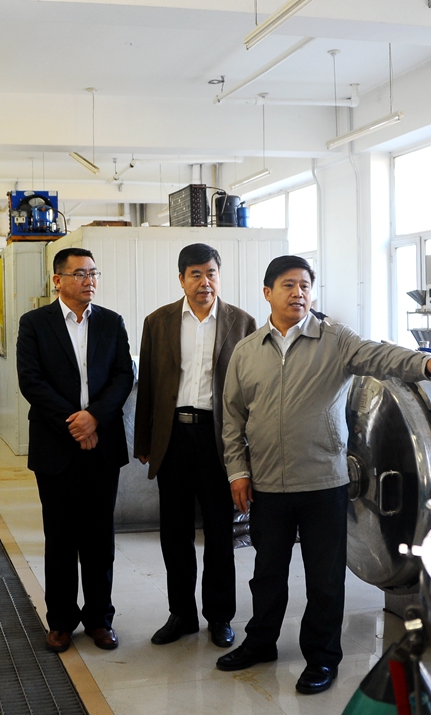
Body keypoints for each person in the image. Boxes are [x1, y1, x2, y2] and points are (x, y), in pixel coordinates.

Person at [217, 255, 431, 694]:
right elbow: (232, 418)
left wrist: (428, 364)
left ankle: (322, 658)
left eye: (305, 285)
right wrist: (237, 472)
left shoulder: (334, 340)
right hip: (267, 483)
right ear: (267, 293)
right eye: (288, 285)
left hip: (323, 482)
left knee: (324, 579)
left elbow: (381, 356)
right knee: (267, 574)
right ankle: (260, 642)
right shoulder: (248, 351)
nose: (298, 293)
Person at [133, 243, 257, 649]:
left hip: (220, 439)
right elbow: (148, 385)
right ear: (182, 278)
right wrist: (144, 440)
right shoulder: (158, 321)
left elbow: (252, 392)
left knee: (220, 533)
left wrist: (248, 452)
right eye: (196, 274)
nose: (205, 282)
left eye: (211, 273)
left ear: (219, 276)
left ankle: (220, 617)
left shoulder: (242, 322)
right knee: (175, 532)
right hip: (173, 438)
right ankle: (181, 614)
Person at [16, 247, 134, 653]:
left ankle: (100, 619)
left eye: (94, 273)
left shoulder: (111, 322)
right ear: (58, 280)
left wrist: (95, 417)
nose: (90, 281)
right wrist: (75, 423)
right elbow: (31, 381)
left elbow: (123, 376)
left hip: (102, 445)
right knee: (61, 539)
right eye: (80, 273)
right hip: (56, 446)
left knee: (100, 539)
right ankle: (61, 621)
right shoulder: (35, 323)